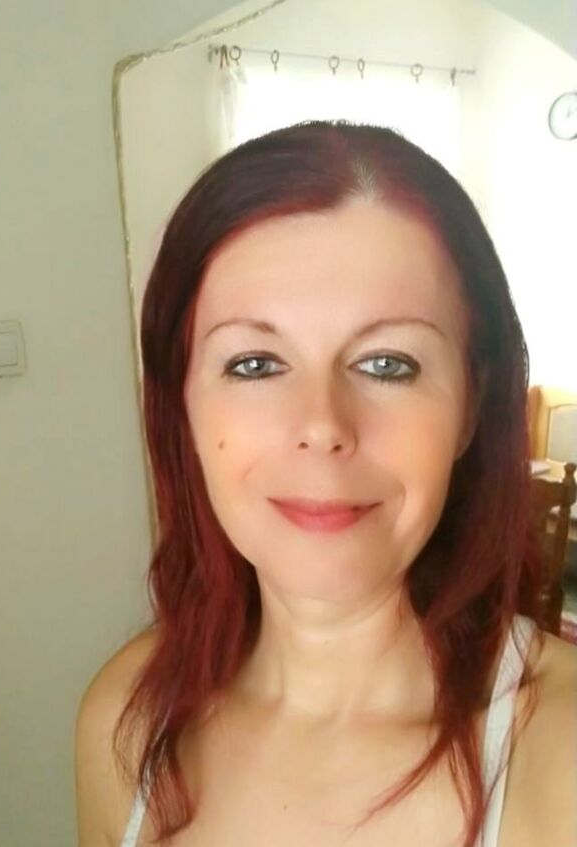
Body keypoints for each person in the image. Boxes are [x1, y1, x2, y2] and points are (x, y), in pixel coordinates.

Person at [74, 120, 576, 847]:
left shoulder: (560, 753)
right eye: (254, 364)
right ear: (182, 404)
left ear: (471, 405)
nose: (321, 425)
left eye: (387, 364)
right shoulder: (126, 716)